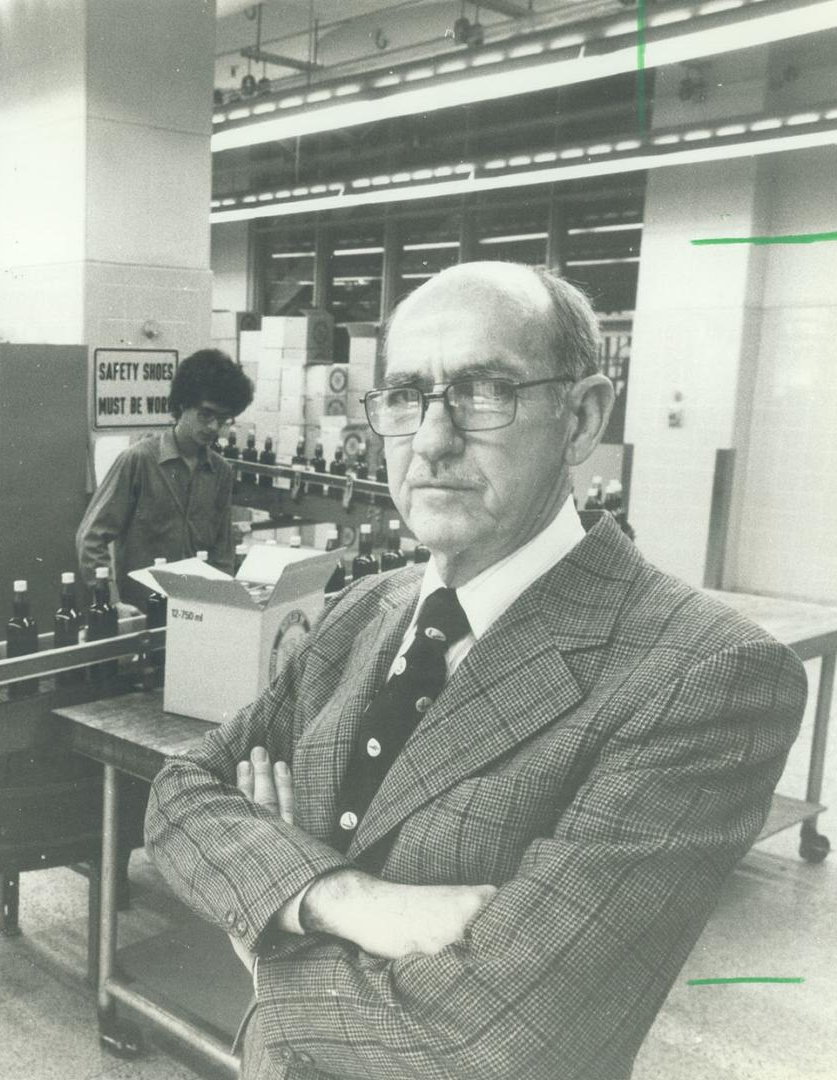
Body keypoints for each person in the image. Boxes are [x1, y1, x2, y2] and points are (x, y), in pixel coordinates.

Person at [144, 262, 806, 1080]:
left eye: (483, 390)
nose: (430, 439)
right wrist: (337, 899)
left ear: (582, 417)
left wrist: (262, 922)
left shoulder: (703, 674)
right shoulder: (367, 608)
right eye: (405, 396)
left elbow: (485, 1040)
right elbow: (179, 794)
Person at [76, 348, 254, 607]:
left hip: (197, 611)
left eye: (223, 419)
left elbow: (222, 552)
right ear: (183, 404)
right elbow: (90, 538)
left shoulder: (221, 472)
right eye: (206, 415)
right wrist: (112, 602)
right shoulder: (138, 461)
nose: (214, 427)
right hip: (140, 611)